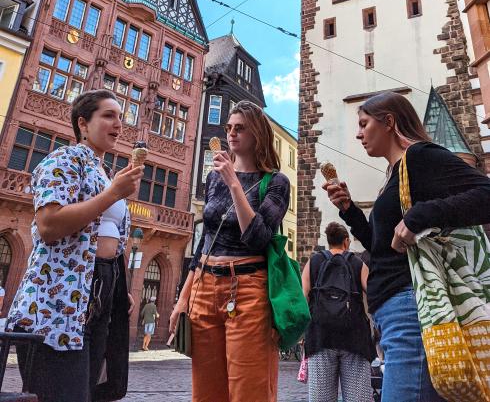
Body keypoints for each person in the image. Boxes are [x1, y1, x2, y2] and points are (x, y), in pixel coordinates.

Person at [326, 91, 490, 402]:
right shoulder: (393, 175)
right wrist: (350, 210)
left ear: (388, 122)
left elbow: (485, 194)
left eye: (364, 124)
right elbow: (382, 246)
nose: (358, 134)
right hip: (394, 310)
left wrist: (421, 216)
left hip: (410, 306)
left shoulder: (419, 157)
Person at [6, 89, 144, 402]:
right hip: (57, 305)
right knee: (62, 393)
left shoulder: (105, 173)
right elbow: (49, 225)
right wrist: (113, 195)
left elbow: (110, 237)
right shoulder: (64, 160)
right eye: (108, 116)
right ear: (83, 123)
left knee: (89, 393)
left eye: (121, 117)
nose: (118, 124)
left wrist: (118, 290)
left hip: (96, 298)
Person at [169, 100, 290, 402]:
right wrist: (183, 298)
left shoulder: (275, 182)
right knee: (206, 392)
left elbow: (259, 237)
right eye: (229, 128)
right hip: (206, 286)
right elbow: (205, 242)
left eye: (240, 128)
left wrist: (234, 184)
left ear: (257, 134)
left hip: (249, 289)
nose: (231, 134)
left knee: (249, 389)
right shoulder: (213, 179)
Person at [302, 222, 374, 402]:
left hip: (321, 336)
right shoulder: (358, 263)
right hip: (355, 337)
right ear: (347, 242)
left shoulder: (314, 262)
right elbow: (373, 294)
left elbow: (303, 298)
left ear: (329, 241)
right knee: (359, 398)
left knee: (321, 398)